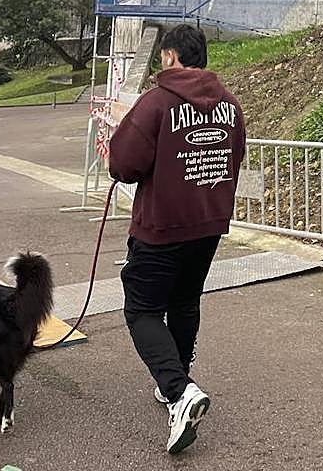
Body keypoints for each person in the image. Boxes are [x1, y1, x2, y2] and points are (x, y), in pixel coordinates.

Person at [108, 24, 247, 454]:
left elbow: (124, 165)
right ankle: (179, 385)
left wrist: (114, 146)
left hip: (162, 226)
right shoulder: (230, 104)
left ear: (170, 57)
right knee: (185, 303)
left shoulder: (157, 102)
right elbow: (235, 153)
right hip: (208, 223)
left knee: (142, 310)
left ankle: (178, 391)